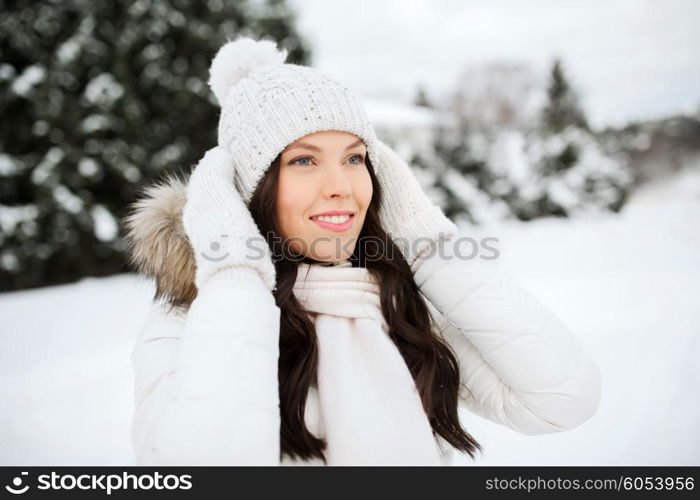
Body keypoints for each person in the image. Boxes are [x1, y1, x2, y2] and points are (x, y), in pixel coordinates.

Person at [122, 36, 601, 466]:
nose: (341, 187)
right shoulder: (189, 326)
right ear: (248, 190)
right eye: (304, 160)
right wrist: (234, 269)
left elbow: (562, 399)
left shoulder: (395, 305)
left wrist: (426, 241)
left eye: (354, 158)